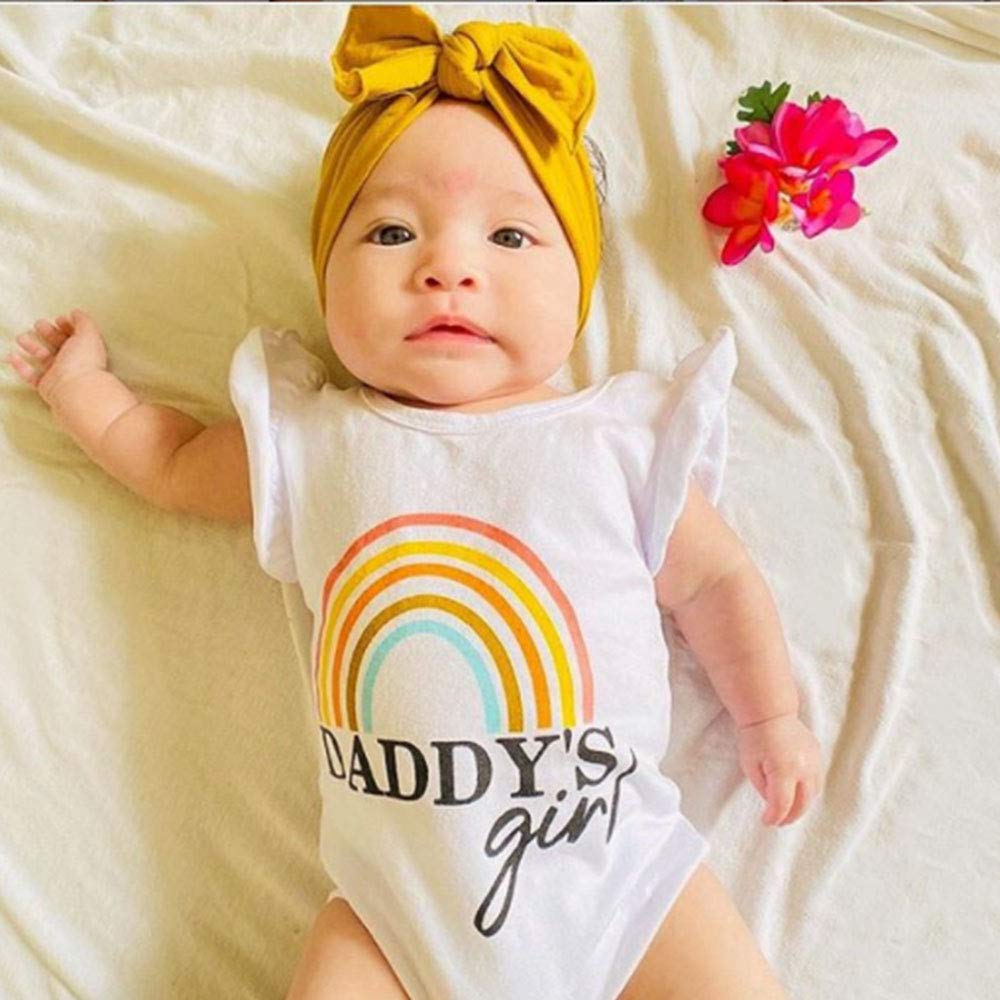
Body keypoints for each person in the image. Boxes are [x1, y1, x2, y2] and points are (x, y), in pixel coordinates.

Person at [5, 5, 823, 998]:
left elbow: (714, 579)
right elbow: (172, 461)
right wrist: (84, 392)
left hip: (619, 876)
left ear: (578, 286)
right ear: (325, 277)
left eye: (511, 235)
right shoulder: (315, 442)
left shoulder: (613, 441)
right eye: (391, 231)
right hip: (394, 909)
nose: (448, 268)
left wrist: (769, 716)